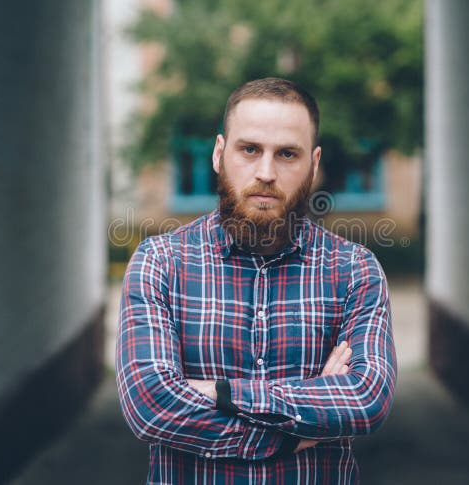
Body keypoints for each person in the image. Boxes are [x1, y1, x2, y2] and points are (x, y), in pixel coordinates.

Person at [117, 77, 397, 484]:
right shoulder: (160, 264)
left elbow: (367, 399)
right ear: (218, 154)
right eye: (249, 149)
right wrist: (295, 428)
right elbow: (151, 405)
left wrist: (219, 393)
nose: (266, 172)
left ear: (314, 165)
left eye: (287, 154)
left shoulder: (354, 270)